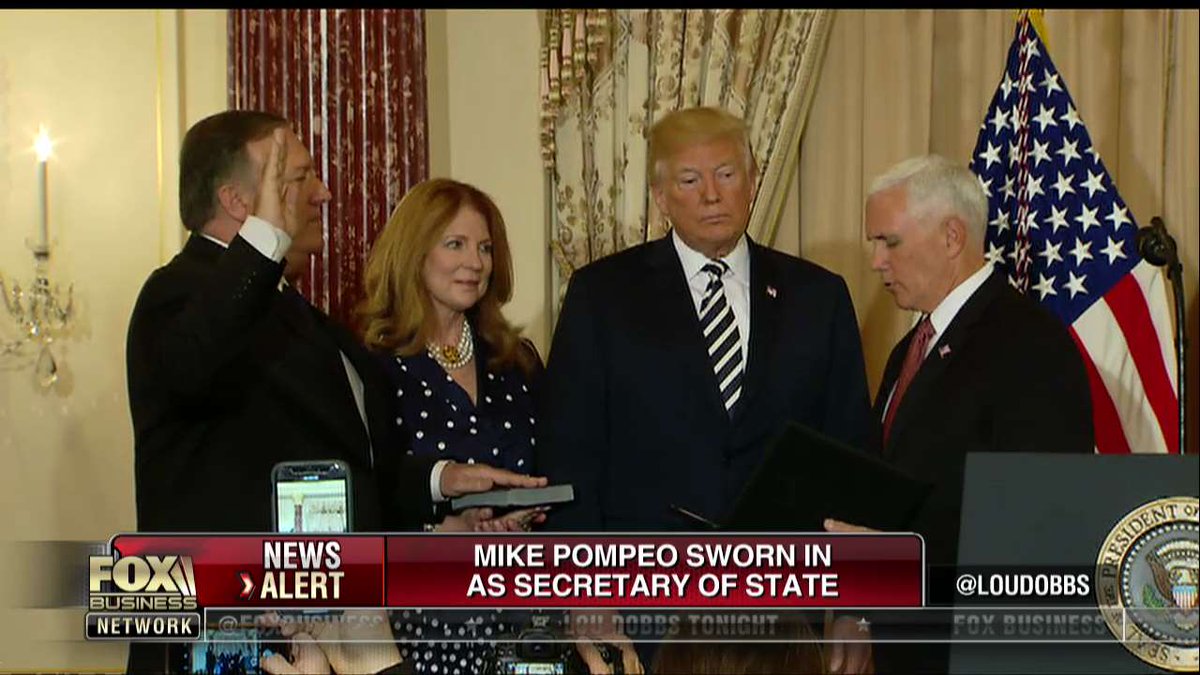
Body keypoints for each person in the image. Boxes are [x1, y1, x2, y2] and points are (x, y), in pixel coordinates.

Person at [536, 105, 873, 673]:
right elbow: (569, 457)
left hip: (787, 608)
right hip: (646, 606)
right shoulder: (602, 296)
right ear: (660, 196)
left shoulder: (819, 297)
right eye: (690, 180)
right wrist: (583, 592)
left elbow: (852, 459)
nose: (712, 195)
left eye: (726, 174)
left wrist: (856, 608)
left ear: (753, 181)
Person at [830, 154, 1094, 674]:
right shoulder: (910, 348)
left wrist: (899, 562)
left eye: (889, 242)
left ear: (952, 236)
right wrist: (860, 608)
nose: (876, 261)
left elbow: (1040, 522)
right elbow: (887, 496)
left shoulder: (1029, 344)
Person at [356, 177, 549, 673]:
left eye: (485, 248)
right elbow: (365, 494)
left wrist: (526, 513)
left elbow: (552, 466)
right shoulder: (372, 365)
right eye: (456, 244)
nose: (476, 262)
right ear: (414, 252)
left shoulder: (518, 361)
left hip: (523, 622)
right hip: (421, 630)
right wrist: (444, 527)